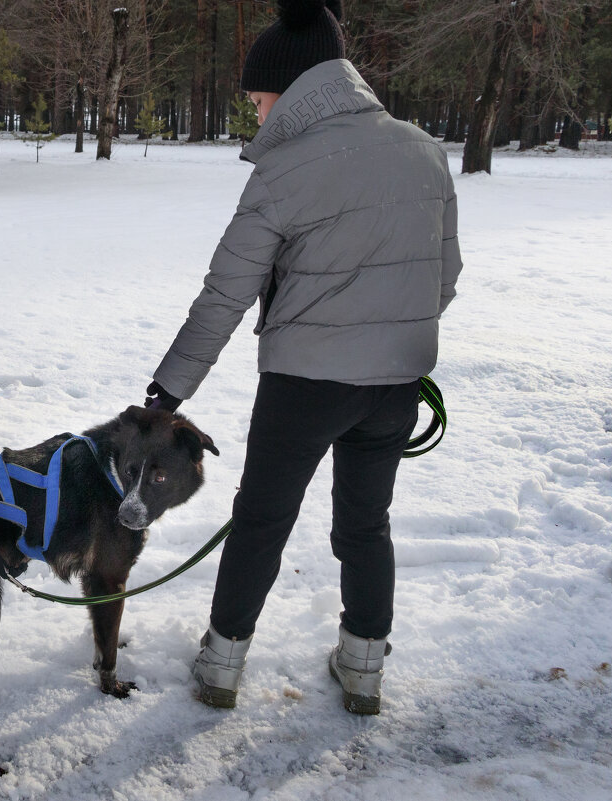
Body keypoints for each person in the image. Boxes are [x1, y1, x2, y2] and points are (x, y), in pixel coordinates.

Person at [144, 0, 462, 715]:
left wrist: (168, 390)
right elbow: (444, 276)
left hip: (304, 384)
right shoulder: (424, 148)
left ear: (291, 86)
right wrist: (388, 338)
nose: (255, 111)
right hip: (394, 385)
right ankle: (364, 666)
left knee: (261, 518)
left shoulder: (285, 168)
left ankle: (222, 662)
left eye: (257, 97)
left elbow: (224, 294)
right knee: (366, 523)